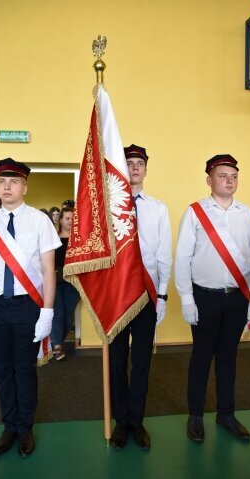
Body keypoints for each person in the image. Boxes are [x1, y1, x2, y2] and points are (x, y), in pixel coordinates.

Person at [0, 158, 61, 457]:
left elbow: (49, 271)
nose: (6, 186)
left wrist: (47, 312)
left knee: (25, 370)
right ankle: (8, 427)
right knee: (1, 371)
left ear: (24, 186)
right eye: (1, 182)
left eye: (13, 181)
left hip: (26, 307)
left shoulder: (39, 221)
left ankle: (25, 429)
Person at [174, 154, 250, 442]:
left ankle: (226, 414)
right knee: (201, 357)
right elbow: (183, 257)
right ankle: (195, 416)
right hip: (204, 297)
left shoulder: (247, 214)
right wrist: (187, 298)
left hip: (237, 297)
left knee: (228, 357)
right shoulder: (195, 212)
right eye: (223, 175)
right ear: (209, 180)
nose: (229, 181)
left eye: (234, 176)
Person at [109, 144, 172, 451]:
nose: (134, 168)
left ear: (146, 170)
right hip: (118, 295)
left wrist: (161, 296)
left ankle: (137, 421)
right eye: (129, 163)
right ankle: (120, 422)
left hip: (147, 293)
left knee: (142, 361)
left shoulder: (157, 208)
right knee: (118, 360)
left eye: (139, 163)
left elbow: (163, 255)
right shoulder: (109, 208)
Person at [51, 207, 80, 360]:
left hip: (73, 282)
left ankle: (57, 341)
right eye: (67, 218)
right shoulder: (53, 238)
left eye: (73, 218)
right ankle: (57, 346)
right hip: (54, 281)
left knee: (68, 314)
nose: (70, 221)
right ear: (61, 220)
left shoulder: (79, 240)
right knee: (58, 313)